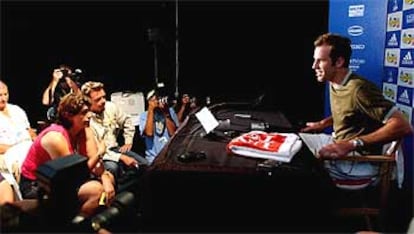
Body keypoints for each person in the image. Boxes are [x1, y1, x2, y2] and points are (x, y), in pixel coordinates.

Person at [301, 33, 412, 189]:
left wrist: (351, 144)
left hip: (360, 163)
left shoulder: (358, 89)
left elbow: (403, 126)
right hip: (338, 144)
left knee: (301, 168)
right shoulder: (335, 81)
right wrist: (322, 123)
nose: (314, 66)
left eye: (321, 61)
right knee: (293, 142)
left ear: (338, 62)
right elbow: (350, 111)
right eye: (315, 60)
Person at [20, 92, 115, 218]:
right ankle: (76, 228)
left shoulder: (83, 129)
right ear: (68, 115)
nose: (89, 116)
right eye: (84, 112)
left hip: (63, 180)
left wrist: (105, 178)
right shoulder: (56, 138)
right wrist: (99, 153)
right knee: (96, 190)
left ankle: (94, 221)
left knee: (109, 179)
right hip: (37, 185)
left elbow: (95, 164)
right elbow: (73, 176)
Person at [81, 81, 147, 183]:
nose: (103, 101)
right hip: (101, 155)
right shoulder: (86, 121)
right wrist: (121, 157)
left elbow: (126, 120)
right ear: (88, 102)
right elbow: (96, 151)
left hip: (115, 149)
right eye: (98, 99)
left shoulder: (110, 107)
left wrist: (128, 141)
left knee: (144, 165)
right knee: (112, 168)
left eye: (104, 97)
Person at [0, 80, 37, 201]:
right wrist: (17, 150)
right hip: (9, 153)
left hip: (28, 147)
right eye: (0, 95)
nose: (3, 98)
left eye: (5, 94)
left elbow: (30, 131)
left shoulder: (17, 110)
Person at [139, 89, 179, 164]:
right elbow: (149, 133)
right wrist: (151, 109)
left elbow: (173, 134)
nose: (159, 101)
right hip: (153, 157)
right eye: (157, 98)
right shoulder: (144, 115)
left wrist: (166, 113)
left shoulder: (170, 112)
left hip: (169, 156)